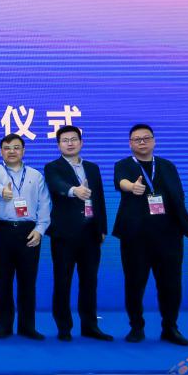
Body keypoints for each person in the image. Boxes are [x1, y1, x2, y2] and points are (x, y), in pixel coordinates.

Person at [113, 124, 188, 346]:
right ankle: (136, 327)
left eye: (146, 138)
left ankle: (170, 328)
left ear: (154, 141)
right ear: (130, 143)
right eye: (137, 139)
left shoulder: (167, 166)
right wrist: (132, 187)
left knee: (171, 284)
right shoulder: (123, 165)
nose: (142, 142)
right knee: (134, 283)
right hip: (135, 237)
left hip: (169, 236)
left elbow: (179, 195)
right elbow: (121, 182)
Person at [43, 125, 112, 342]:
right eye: (65, 140)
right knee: (62, 281)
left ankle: (90, 326)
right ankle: (64, 327)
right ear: (58, 145)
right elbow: (56, 185)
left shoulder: (93, 168)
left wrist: (102, 228)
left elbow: (99, 199)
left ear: (81, 143)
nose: (70, 143)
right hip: (64, 234)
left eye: (74, 139)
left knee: (89, 281)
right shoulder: (52, 167)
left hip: (90, 233)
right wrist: (75, 191)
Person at [0, 134, 51, 340]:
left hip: (29, 231)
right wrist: (2, 192)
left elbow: (44, 204)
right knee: (2, 281)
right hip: (2, 231)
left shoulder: (36, 175)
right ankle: (4, 326)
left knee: (28, 282)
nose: (11, 151)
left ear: (23, 151)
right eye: (7, 148)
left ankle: (27, 327)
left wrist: (40, 229)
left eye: (16, 147)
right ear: (0, 151)